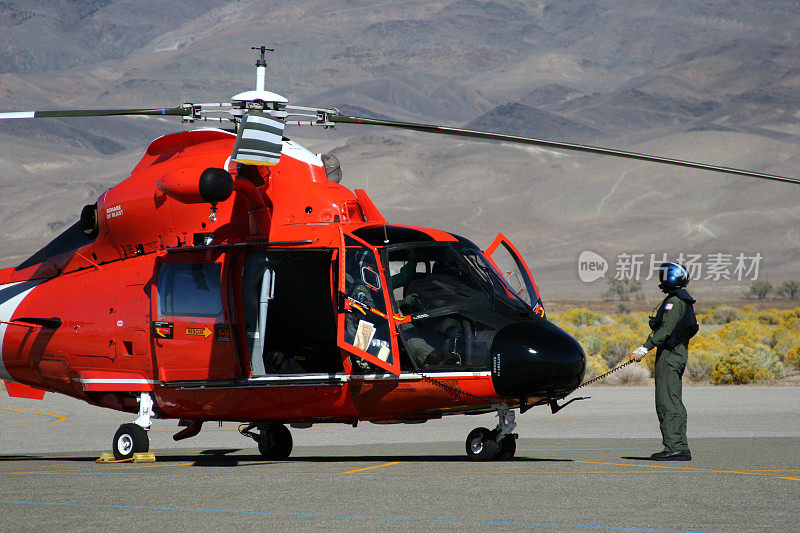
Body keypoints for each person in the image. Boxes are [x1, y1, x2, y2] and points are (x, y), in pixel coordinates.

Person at [631, 262, 699, 461]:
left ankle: (675, 447)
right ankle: (679, 446)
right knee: (673, 399)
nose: (661, 279)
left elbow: (666, 330)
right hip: (674, 353)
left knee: (667, 401)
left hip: (670, 355)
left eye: (664, 275)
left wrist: (645, 347)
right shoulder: (681, 300)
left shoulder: (675, 302)